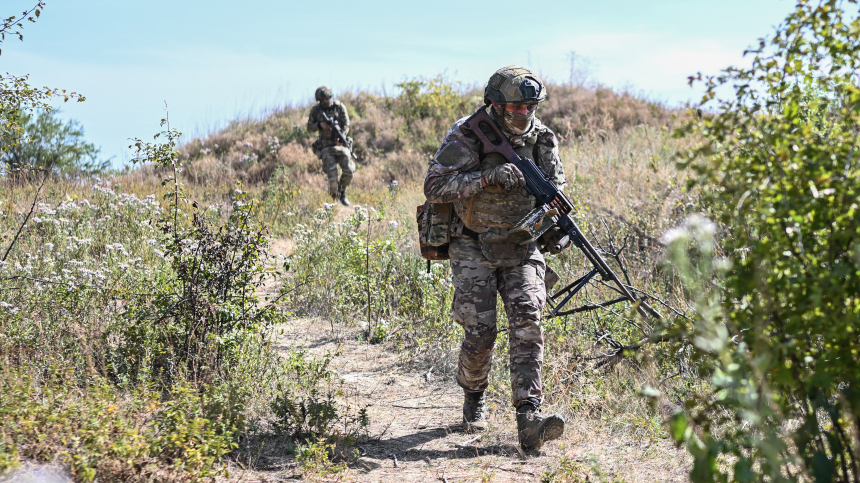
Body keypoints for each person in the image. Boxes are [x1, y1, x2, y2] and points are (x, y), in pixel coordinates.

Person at [423, 66, 568, 451]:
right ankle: (474, 394)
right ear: (496, 104)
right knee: (481, 332)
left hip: (522, 245)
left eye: (530, 107)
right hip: (472, 241)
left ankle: (529, 417)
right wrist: (485, 179)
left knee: (529, 320)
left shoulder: (545, 139)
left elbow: (556, 188)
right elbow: (434, 185)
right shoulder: (469, 134)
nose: (524, 114)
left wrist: (554, 220)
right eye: (516, 107)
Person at [307, 86, 354, 206]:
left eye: (326, 99)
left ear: (330, 96)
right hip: (326, 147)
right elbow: (309, 127)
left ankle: (342, 192)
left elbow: (346, 124)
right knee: (332, 177)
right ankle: (334, 200)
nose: (324, 102)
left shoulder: (339, 107)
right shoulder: (316, 110)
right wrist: (319, 125)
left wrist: (341, 136)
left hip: (340, 146)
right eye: (321, 100)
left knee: (349, 171)